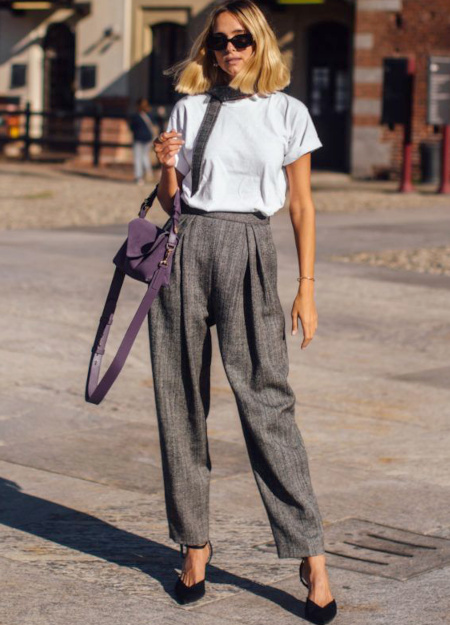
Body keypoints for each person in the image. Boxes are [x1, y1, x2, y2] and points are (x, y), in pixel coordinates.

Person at [150, 1, 337, 622]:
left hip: (251, 249)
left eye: (241, 40)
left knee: (266, 401)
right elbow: (172, 201)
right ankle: (194, 545)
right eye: (219, 40)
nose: (229, 50)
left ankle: (311, 554)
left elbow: (302, 207)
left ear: (260, 44)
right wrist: (163, 168)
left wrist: (306, 286)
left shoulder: (287, 112)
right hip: (186, 246)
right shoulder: (188, 106)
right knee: (179, 400)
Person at [129, 98, 155, 184]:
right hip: (147, 139)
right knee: (145, 157)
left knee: (138, 158)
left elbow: (132, 128)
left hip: (138, 139)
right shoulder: (149, 115)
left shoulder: (136, 116)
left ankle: (139, 177)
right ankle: (148, 173)